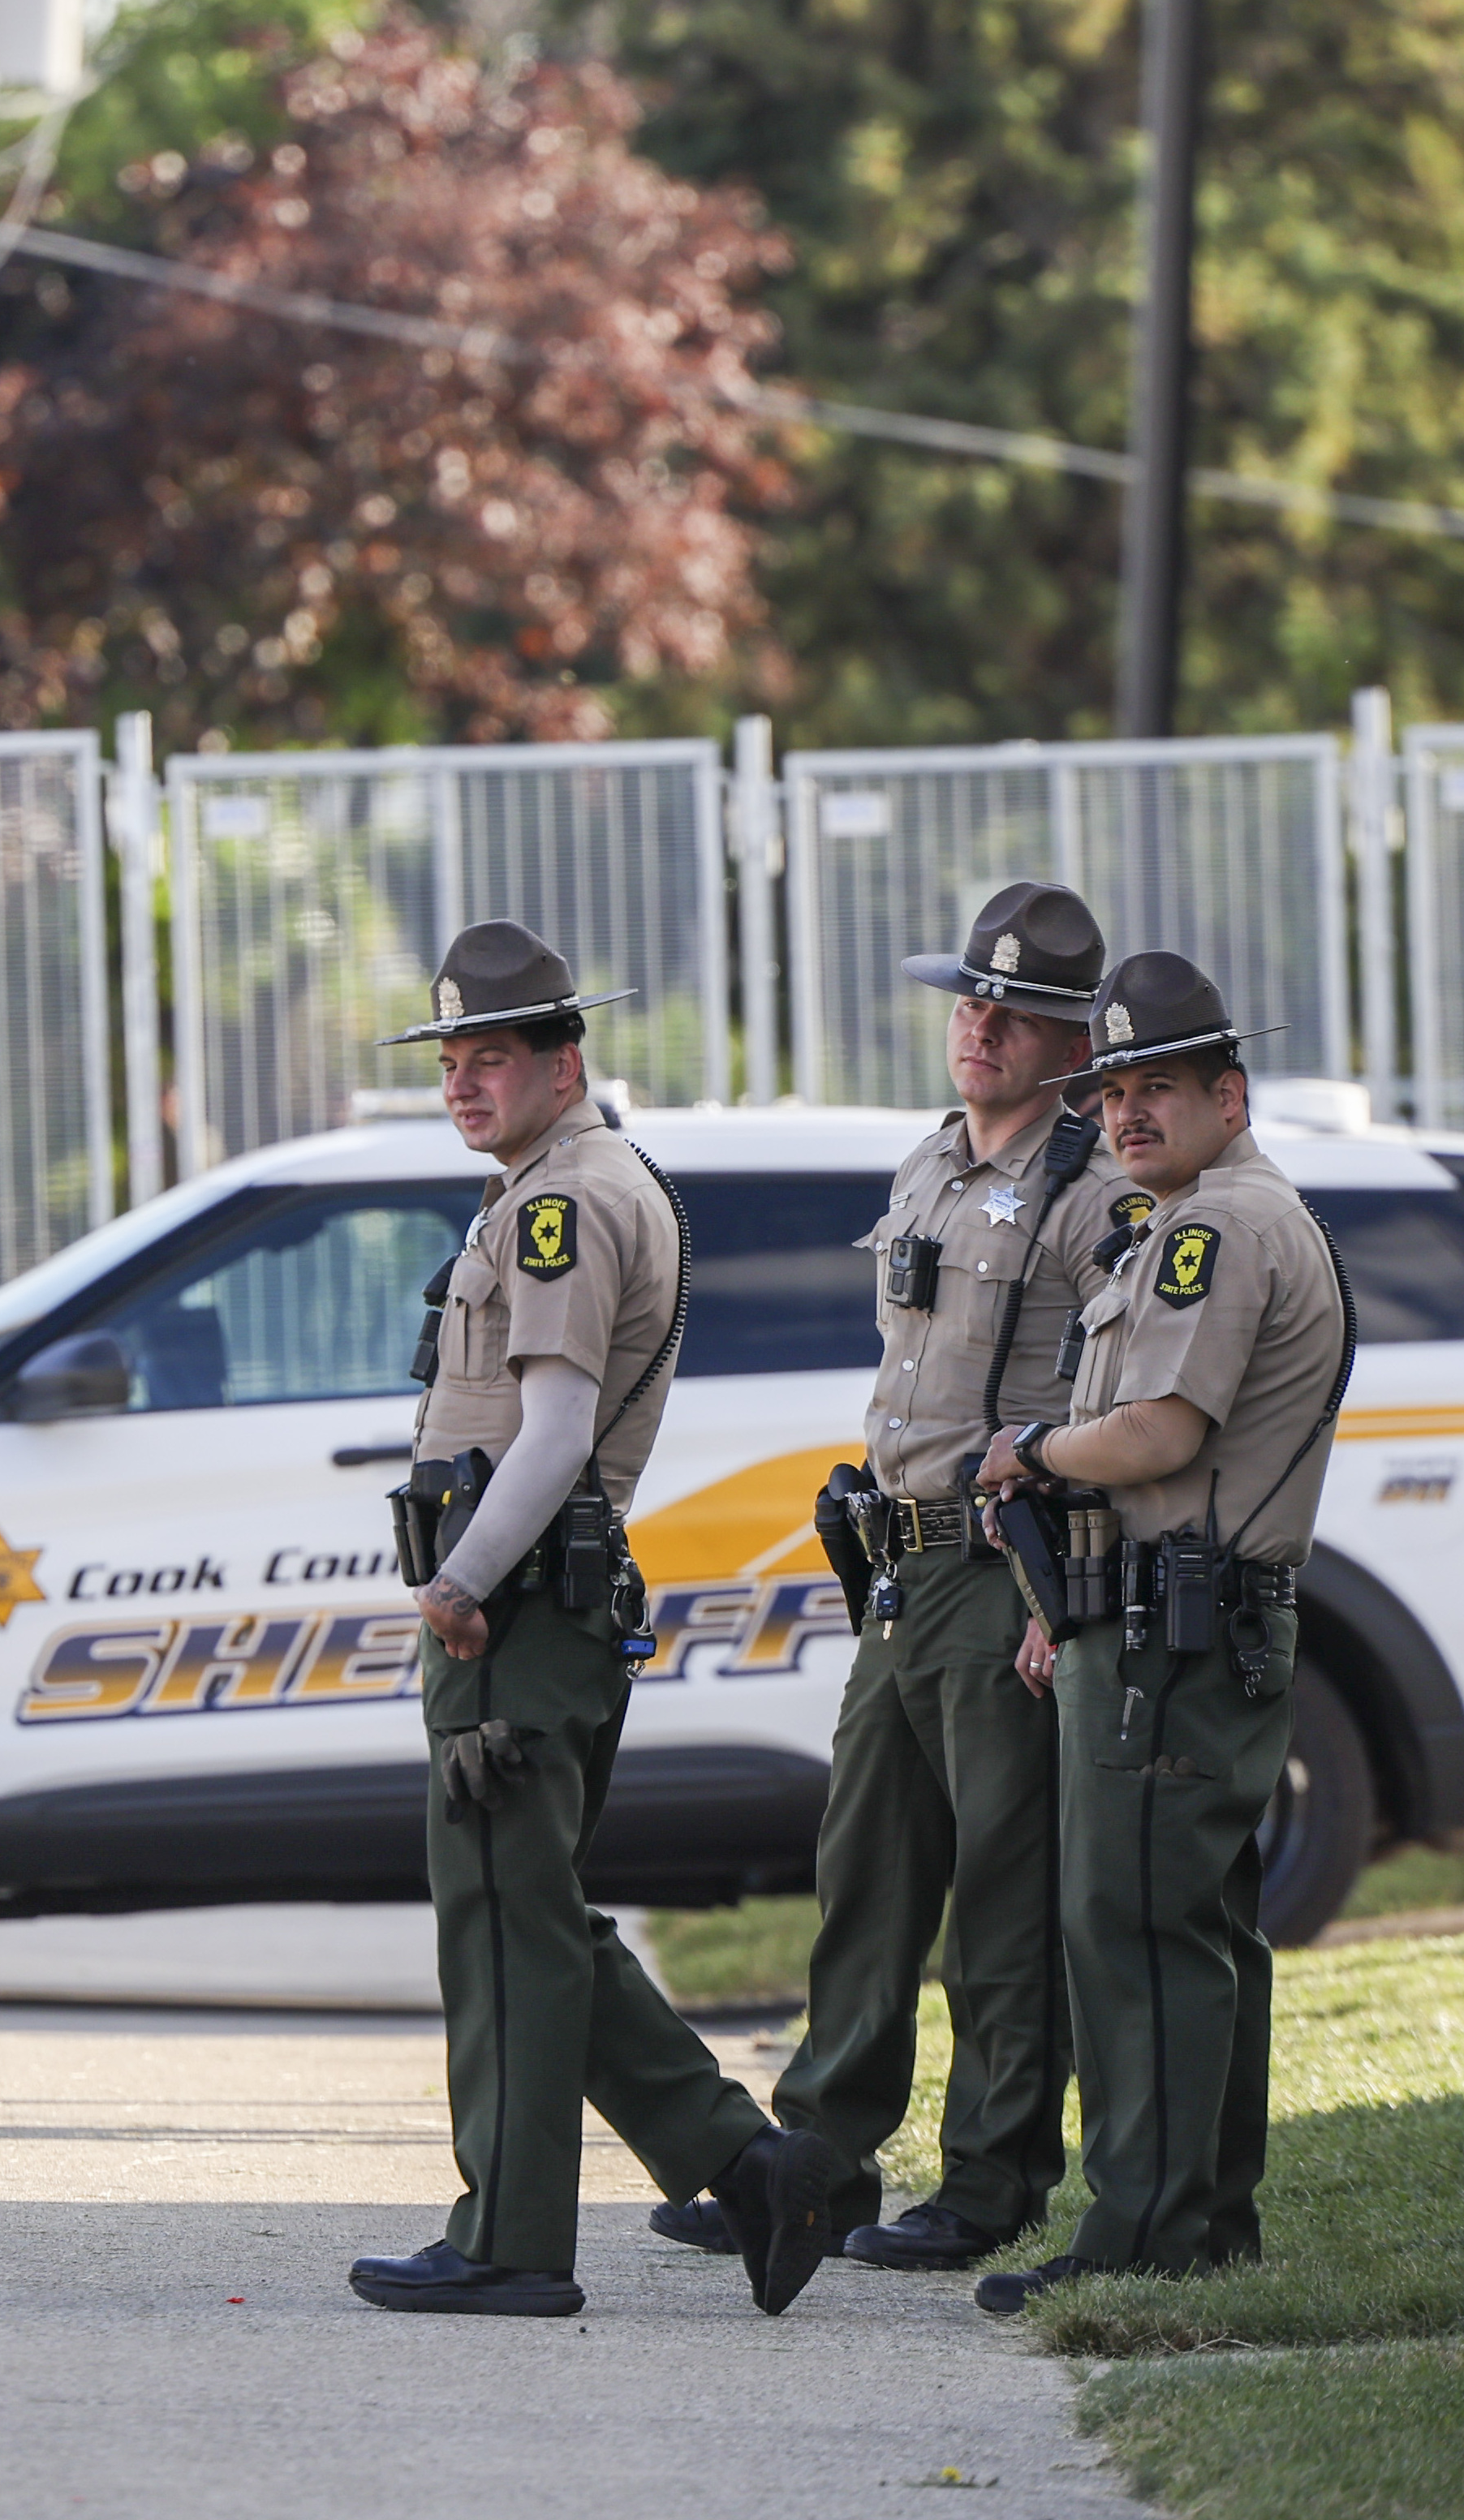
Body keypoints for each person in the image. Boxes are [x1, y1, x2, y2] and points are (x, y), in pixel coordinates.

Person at [347, 920, 846, 2321]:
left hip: (516, 1603)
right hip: (533, 1600)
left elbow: (556, 1427)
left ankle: (510, 2241)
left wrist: (459, 1584)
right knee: (532, 1911)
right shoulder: (549, 1184)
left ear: (565, 1060)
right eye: (450, 1057)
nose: (463, 1081)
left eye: (491, 1056)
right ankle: (754, 2169)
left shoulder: (564, 1203)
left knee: (506, 1925)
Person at [646, 883, 1126, 2274]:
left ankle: (991, 2178)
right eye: (972, 998)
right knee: (864, 1871)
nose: (982, 1024)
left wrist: (1058, 1597)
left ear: (1073, 1041)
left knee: (1000, 1893)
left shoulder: (1094, 1195)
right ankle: (819, 2164)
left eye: (1019, 1011)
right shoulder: (929, 1165)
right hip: (902, 1566)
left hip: (1003, 1563)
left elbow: (1109, 1396)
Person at [968, 951, 1350, 2316]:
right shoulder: (1185, 1220)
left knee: (1131, 1926)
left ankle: (1142, 2234)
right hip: (1152, 1625)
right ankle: (1203, 2219)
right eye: (1115, 1091)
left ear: (1229, 1094)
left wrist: (1026, 1445)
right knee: (1190, 1929)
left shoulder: (1215, 1232)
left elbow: (1159, 1434)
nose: (1128, 1115)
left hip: (1175, 1642)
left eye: (1160, 1090)